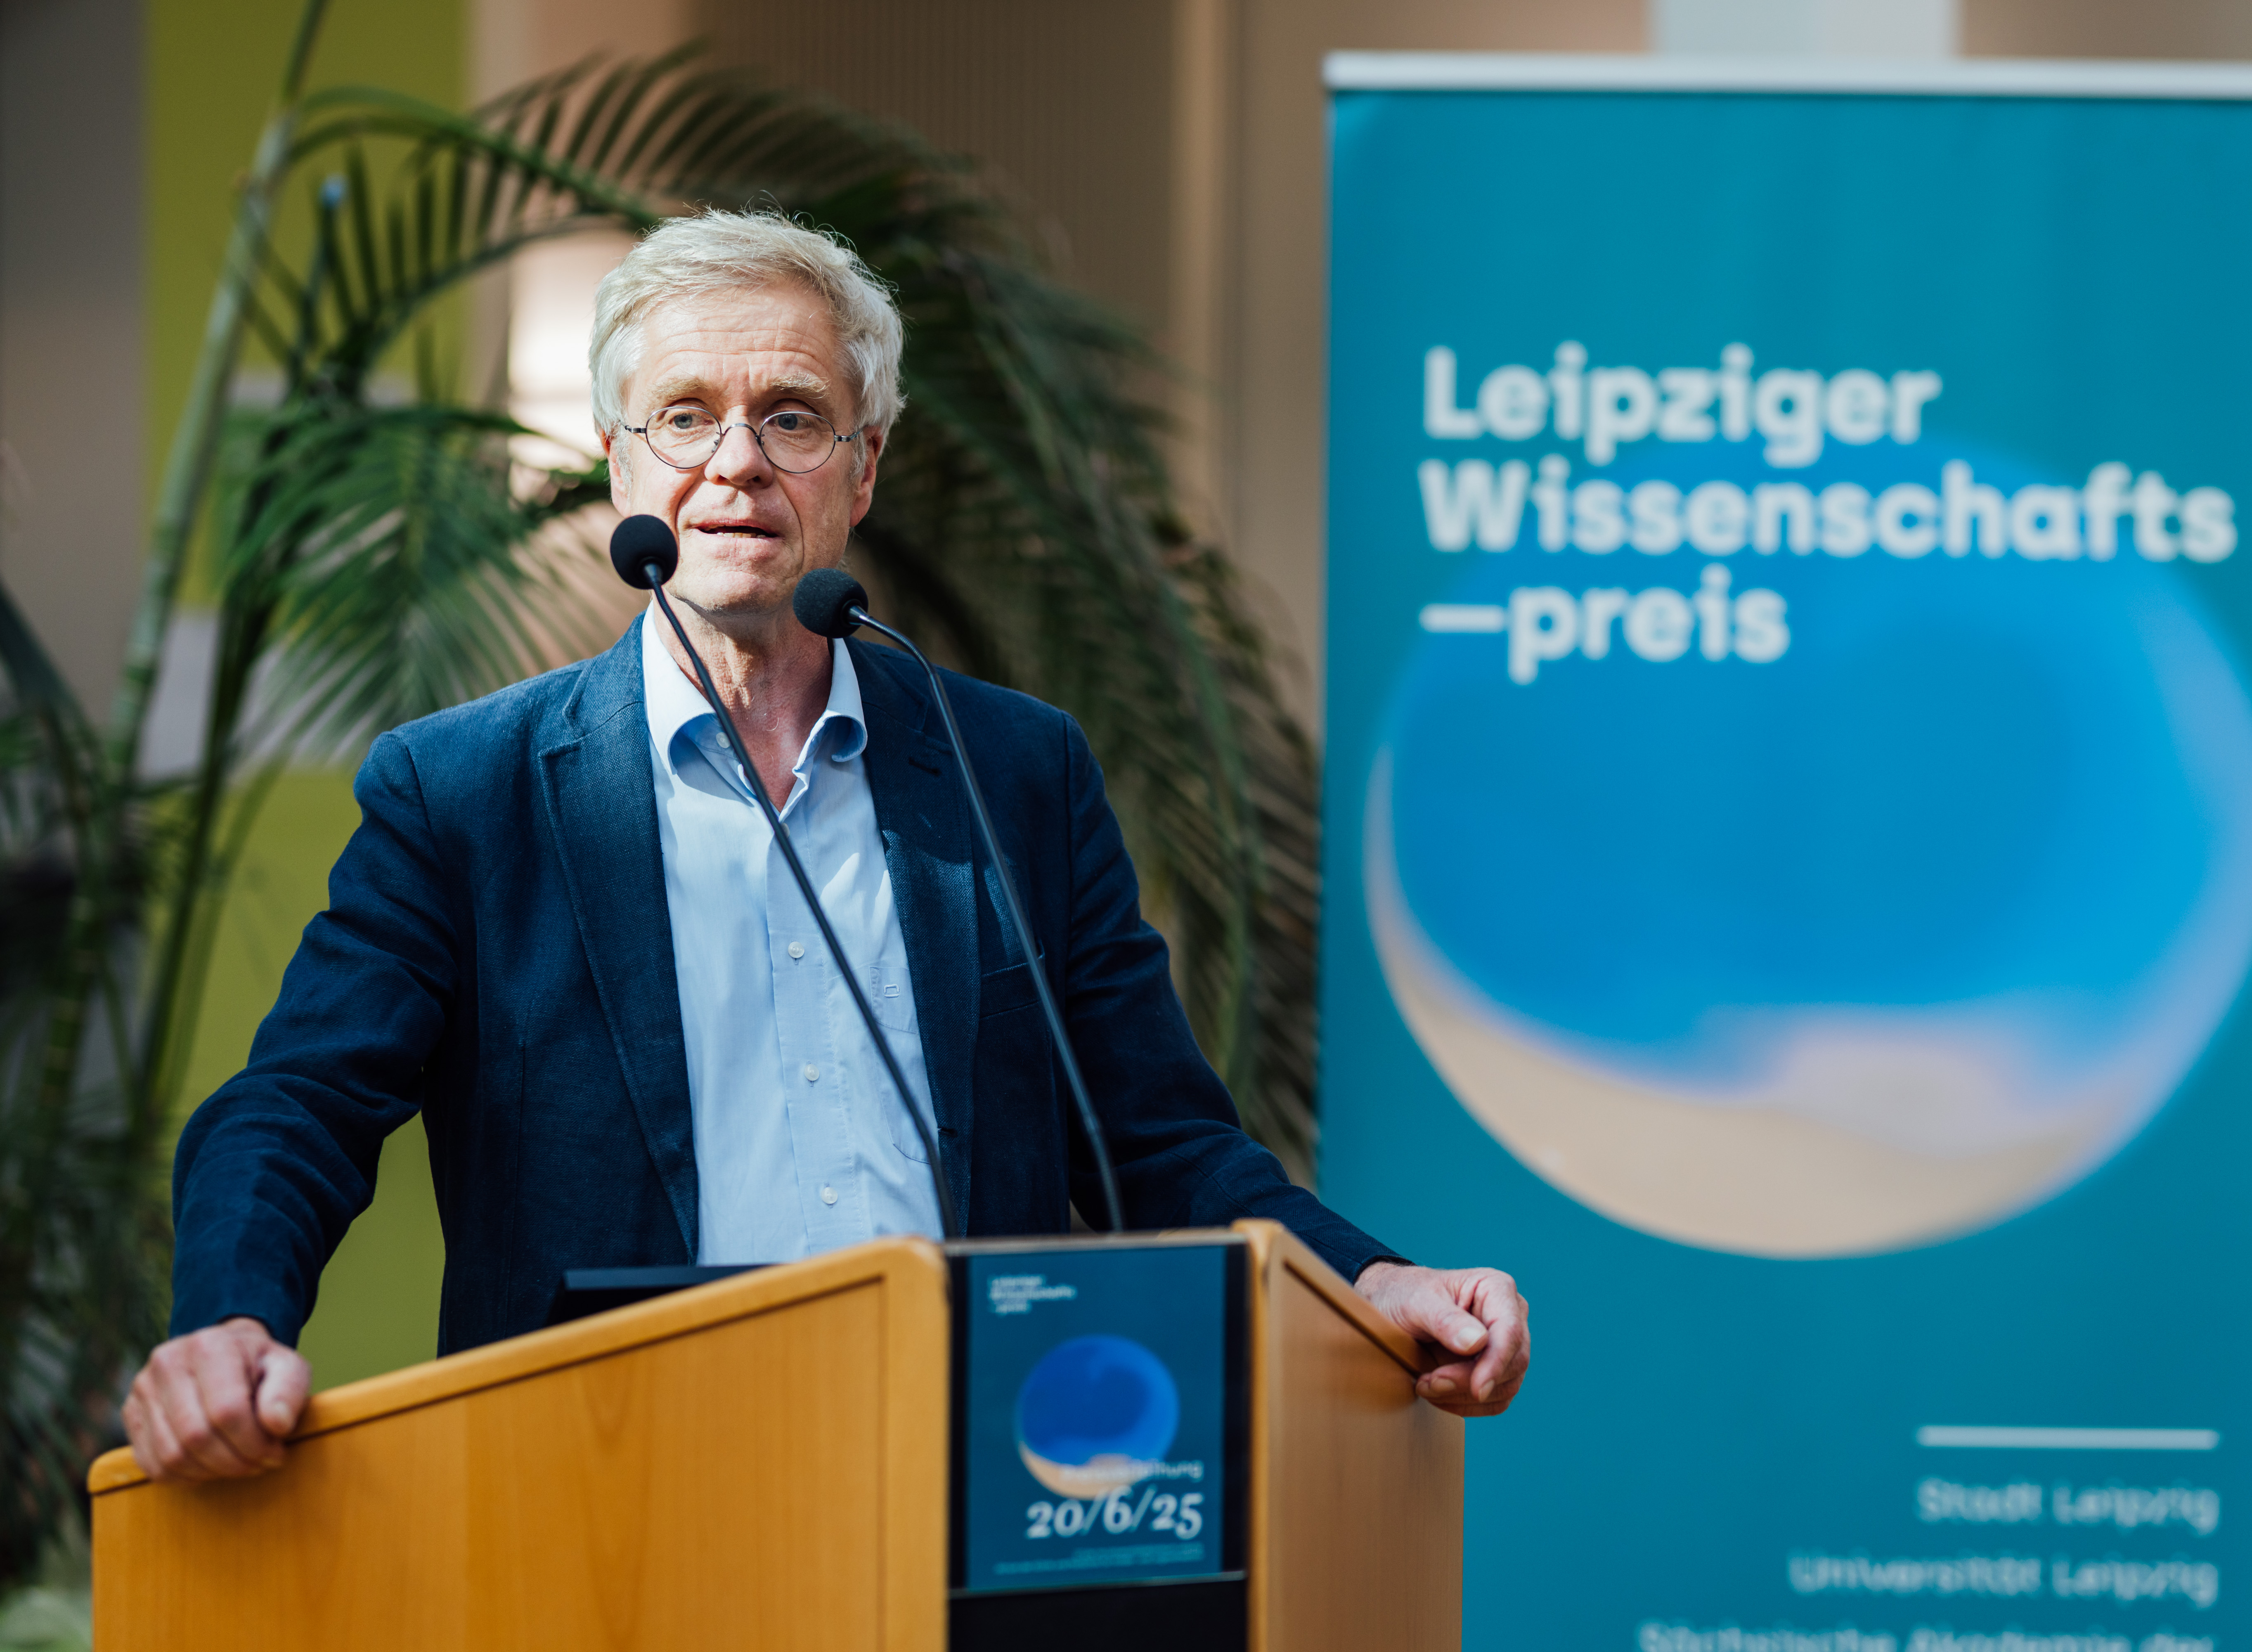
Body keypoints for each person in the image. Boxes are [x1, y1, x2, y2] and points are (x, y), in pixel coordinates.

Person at [121, 211, 1530, 1482]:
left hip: (971, 1476)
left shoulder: (1013, 771)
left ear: (863, 472)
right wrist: (230, 1319)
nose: (736, 461)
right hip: (606, 1493)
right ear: (619, 463)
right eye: (685, 416)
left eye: (792, 417)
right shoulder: (467, 792)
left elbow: (1158, 1140)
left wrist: (1373, 1280)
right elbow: (297, 1103)